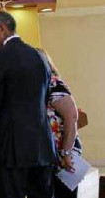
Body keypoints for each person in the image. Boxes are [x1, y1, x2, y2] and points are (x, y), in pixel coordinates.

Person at [0, 11, 55, 198]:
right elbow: (45, 98)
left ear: (2, 29)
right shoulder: (40, 56)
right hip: (42, 145)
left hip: (11, 147)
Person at [38, 48, 81, 198]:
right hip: (49, 155)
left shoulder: (53, 83)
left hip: (63, 155)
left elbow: (72, 117)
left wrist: (66, 152)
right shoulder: (39, 86)